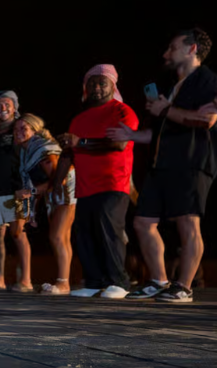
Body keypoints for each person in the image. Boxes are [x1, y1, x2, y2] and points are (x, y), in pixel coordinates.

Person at [108, 29, 217, 304]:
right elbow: (160, 132)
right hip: (161, 164)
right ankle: (158, 281)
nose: (166, 53)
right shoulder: (173, 87)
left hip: (191, 163)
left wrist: (165, 110)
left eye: (172, 47)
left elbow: (206, 120)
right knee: (142, 222)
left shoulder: (210, 81)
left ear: (192, 49)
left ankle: (184, 287)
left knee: (188, 222)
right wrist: (131, 135)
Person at [56, 64, 137, 299]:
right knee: (85, 233)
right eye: (91, 84)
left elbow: (119, 144)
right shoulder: (79, 119)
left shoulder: (123, 111)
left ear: (113, 86)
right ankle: (93, 282)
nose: (97, 88)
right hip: (85, 186)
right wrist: (56, 183)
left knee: (108, 229)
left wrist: (80, 142)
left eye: (102, 83)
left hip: (113, 182)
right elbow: (67, 154)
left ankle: (119, 282)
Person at [12, 113, 75, 295]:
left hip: (65, 193)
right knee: (61, 238)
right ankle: (63, 282)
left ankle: (63, 283)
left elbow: (60, 179)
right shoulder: (26, 152)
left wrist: (30, 192)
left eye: (24, 128)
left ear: (35, 130)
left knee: (58, 236)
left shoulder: (44, 148)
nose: (18, 132)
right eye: (15, 129)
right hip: (53, 196)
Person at [0, 90, 31, 292]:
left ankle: (25, 280)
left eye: (7, 104)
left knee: (18, 233)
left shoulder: (20, 127)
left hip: (17, 188)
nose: (3, 108)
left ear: (14, 107)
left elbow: (31, 151)